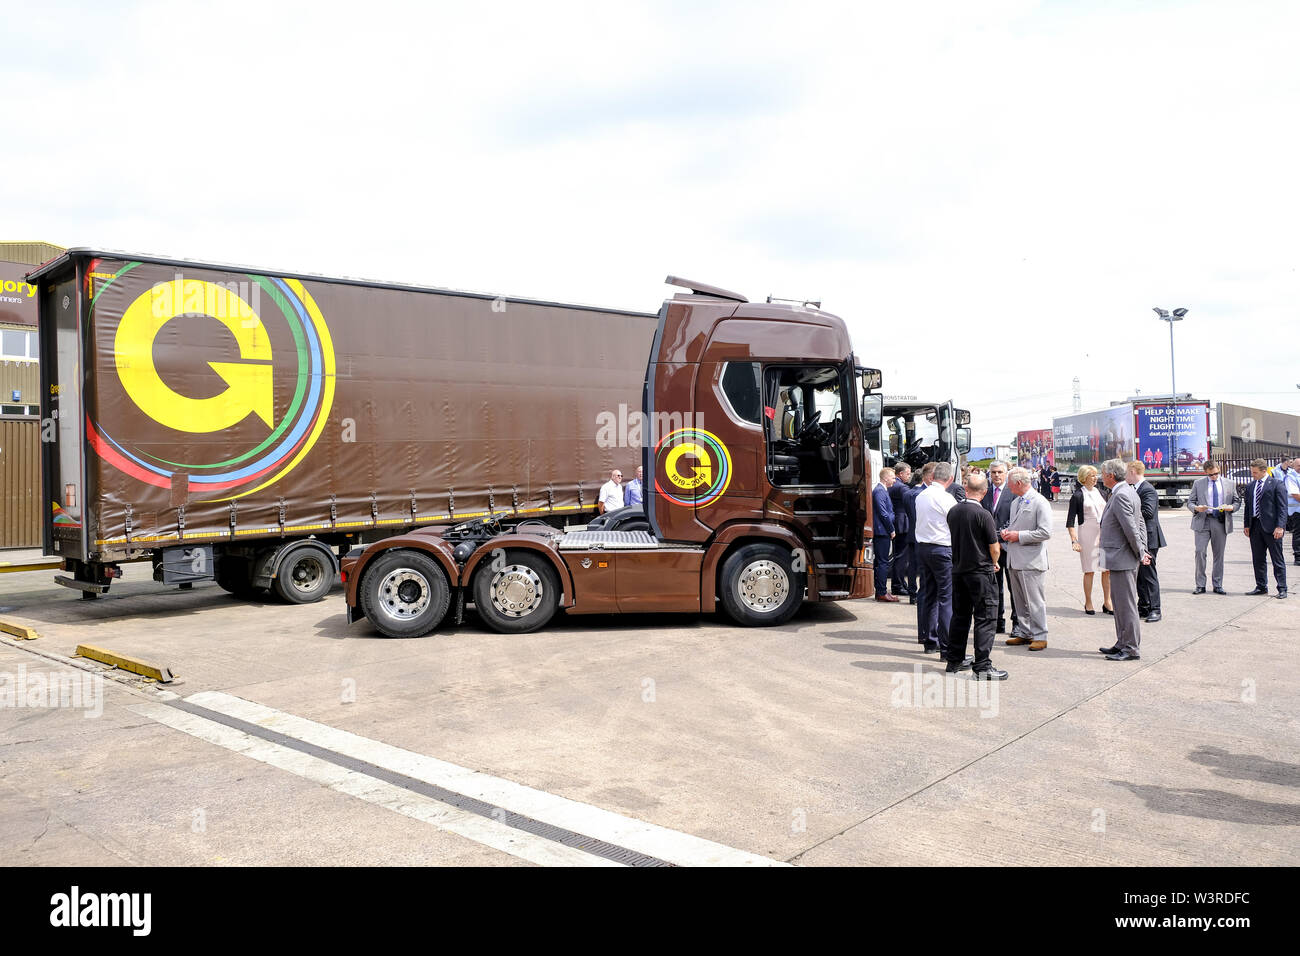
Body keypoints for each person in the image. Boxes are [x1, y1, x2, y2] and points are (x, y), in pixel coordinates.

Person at [945, 473, 1007, 680]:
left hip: (959, 570)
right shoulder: (983, 514)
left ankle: (954, 659)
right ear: (984, 492)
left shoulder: (953, 511)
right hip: (980, 571)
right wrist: (995, 562)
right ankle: (982, 666)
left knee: (960, 616)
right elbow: (994, 546)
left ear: (966, 488)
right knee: (985, 617)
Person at [1098, 458, 1149, 661]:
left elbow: (1131, 527)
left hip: (1122, 558)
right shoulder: (1126, 491)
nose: (1101, 478)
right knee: (1119, 604)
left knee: (1126, 605)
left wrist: (1141, 551)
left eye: (1103, 474)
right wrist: (1142, 549)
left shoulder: (1121, 494)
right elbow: (1140, 523)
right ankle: (1122, 642)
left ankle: (1130, 648)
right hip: (1120, 557)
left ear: (1110, 476)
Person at [1001, 467, 1052, 651]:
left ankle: (1040, 635)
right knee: (1020, 600)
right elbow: (1014, 524)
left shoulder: (1040, 502)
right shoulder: (1016, 502)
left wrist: (1019, 536)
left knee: (1035, 600)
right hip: (1015, 559)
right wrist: (1008, 533)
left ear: (1018, 483)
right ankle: (1025, 632)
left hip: (1031, 560)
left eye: (1009, 482)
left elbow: (1045, 532)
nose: (1007, 486)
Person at [913, 462, 957, 655]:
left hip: (924, 547)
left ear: (932, 477)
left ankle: (930, 641)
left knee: (930, 595)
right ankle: (947, 648)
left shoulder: (921, 495)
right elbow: (955, 524)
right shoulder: (946, 498)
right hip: (942, 548)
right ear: (950, 479)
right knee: (946, 598)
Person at [1066, 464, 1111, 614]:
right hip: (1087, 534)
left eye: (1096, 475)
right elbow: (1070, 521)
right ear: (1084, 477)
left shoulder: (1103, 493)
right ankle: (1088, 602)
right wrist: (1074, 540)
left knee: (1107, 570)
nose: (1095, 477)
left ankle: (1107, 601)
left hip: (1104, 534)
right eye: (1092, 475)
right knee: (1089, 570)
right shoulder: (1078, 495)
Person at [1186, 459, 1236, 594]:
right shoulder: (1198, 484)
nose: (1214, 476)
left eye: (1216, 473)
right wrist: (1196, 508)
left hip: (1220, 521)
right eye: (1211, 475)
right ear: (1206, 473)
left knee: (1219, 554)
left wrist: (1231, 507)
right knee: (1200, 552)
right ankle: (1200, 584)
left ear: (1219, 470)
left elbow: (1236, 501)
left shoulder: (1229, 483)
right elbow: (1190, 502)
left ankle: (1217, 584)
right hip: (1203, 520)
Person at [1126, 461, 1167, 623]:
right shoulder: (1134, 489)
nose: (1126, 475)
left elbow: (1149, 512)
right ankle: (1143, 606)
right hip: (1141, 537)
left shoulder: (1147, 489)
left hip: (1150, 538)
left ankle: (1155, 609)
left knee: (1149, 574)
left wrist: (1128, 510)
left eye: (1127, 472)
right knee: (1140, 575)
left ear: (1134, 471)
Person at [1242, 458, 1288, 598]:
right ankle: (1261, 586)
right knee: (1258, 558)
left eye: (1255, 473)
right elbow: (1248, 507)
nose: (1253, 475)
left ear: (1264, 471)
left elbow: (1282, 508)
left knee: (1277, 559)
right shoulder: (1250, 486)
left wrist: (1280, 526)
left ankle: (1282, 588)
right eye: (1252, 472)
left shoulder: (1276, 484)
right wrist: (1247, 524)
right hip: (1255, 527)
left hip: (1272, 528)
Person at [982, 460, 1017, 633]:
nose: (996, 475)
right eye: (993, 472)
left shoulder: (1013, 494)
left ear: (1006, 474)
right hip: (990, 549)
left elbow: (1016, 519)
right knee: (995, 588)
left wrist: (1002, 537)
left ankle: (1017, 623)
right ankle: (997, 621)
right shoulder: (985, 493)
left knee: (1014, 588)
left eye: (999, 472)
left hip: (1009, 546)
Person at [901, 462, 937, 604]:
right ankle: (918, 593)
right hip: (921, 534)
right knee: (920, 566)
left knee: (912, 565)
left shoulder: (908, 493)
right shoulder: (921, 494)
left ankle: (912, 593)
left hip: (912, 532)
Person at [872, 468, 899, 602]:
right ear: (886, 478)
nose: (895, 480)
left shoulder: (881, 491)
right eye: (893, 477)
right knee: (883, 563)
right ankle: (882, 592)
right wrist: (891, 529)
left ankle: (880, 591)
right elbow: (883, 513)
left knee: (880, 562)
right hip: (882, 531)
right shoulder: (879, 491)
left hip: (882, 530)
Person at [889, 463, 914, 598]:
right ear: (900, 474)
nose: (909, 476)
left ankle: (899, 583)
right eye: (907, 474)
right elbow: (910, 502)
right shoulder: (902, 487)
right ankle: (897, 585)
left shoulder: (894, 485)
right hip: (902, 522)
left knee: (899, 555)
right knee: (902, 556)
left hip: (898, 522)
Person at [1272, 456, 1300, 566]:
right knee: (1298, 534)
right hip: (1296, 511)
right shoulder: (1290, 477)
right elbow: (1295, 494)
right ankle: (1298, 557)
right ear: (1293, 466)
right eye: (1298, 466)